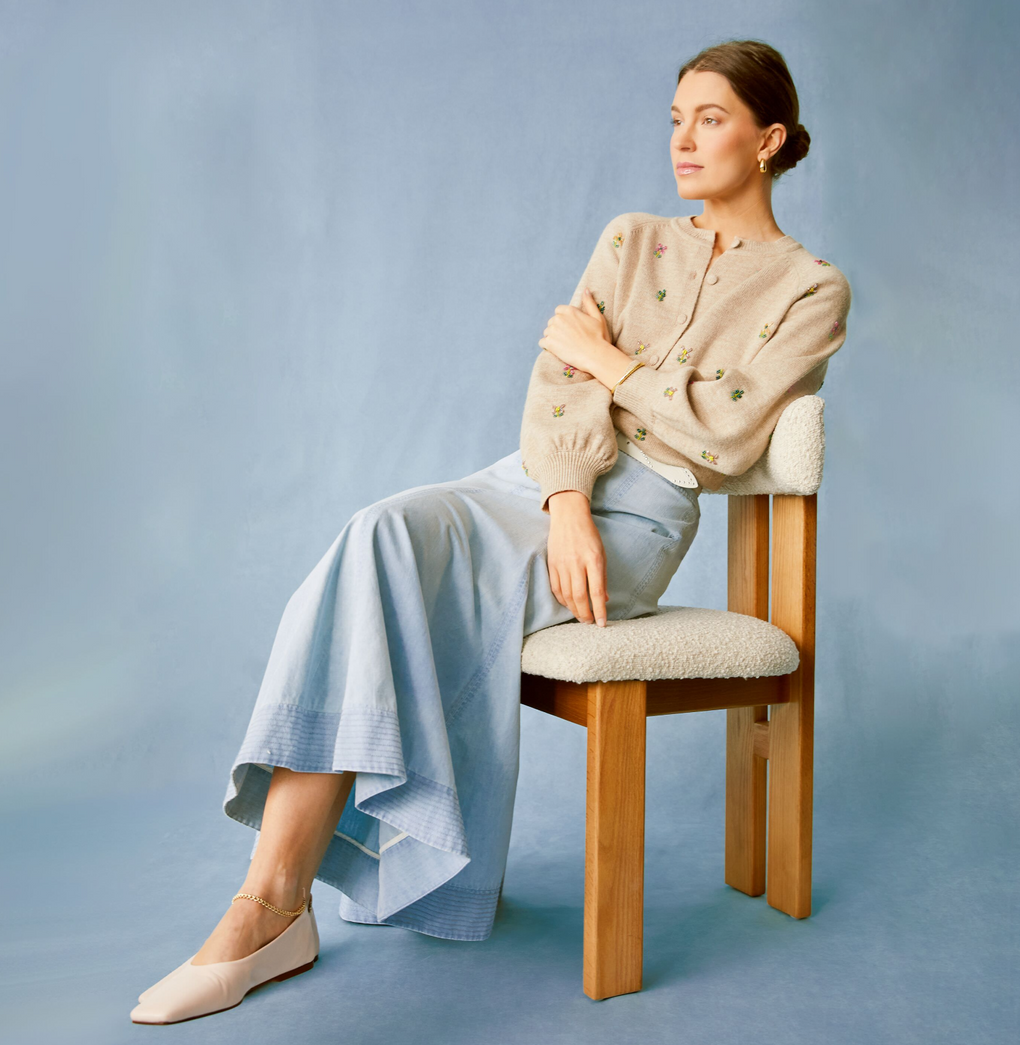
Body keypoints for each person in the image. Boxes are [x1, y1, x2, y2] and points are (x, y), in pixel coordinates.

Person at [130, 38, 852, 1024]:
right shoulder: (630, 238)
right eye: (675, 117)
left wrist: (599, 353)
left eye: (711, 119)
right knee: (379, 532)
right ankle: (272, 903)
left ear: (768, 139)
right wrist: (563, 498)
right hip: (532, 483)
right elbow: (557, 378)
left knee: (410, 578)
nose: (683, 140)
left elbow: (723, 432)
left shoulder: (810, 289)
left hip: (643, 516)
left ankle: (264, 910)